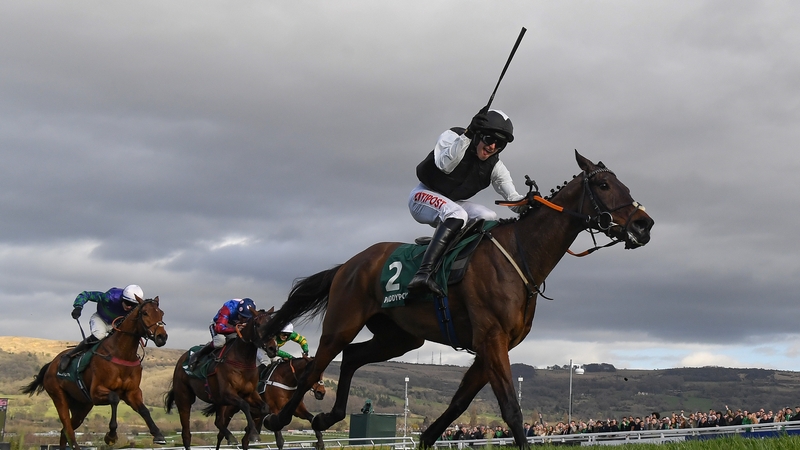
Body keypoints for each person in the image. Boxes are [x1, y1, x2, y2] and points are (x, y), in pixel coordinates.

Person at [407, 107, 527, 296]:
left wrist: (530, 202)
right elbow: (444, 165)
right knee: (458, 214)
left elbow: (513, 201)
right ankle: (423, 273)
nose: (492, 147)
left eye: (499, 144)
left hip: (450, 203)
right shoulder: (452, 136)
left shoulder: (496, 167)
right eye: (489, 139)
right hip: (422, 196)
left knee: (488, 216)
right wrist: (468, 134)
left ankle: (455, 257)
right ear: (478, 134)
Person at [59, 284, 143, 372]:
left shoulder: (138, 308)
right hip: (101, 319)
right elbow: (86, 294)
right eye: (127, 303)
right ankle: (69, 355)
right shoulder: (109, 297)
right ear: (122, 298)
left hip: (116, 324)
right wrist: (78, 307)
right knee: (99, 335)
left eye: (133, 305)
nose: (129, 307)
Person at [187, 298, 257, 370]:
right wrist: (234, 329)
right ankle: (198, 354)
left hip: (235, 327)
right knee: (220, 342)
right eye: (242, 316)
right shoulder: (229, 307)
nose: (244, 320)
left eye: (247, 318)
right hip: (218, 325)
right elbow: (219, 328)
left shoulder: (253, 314)